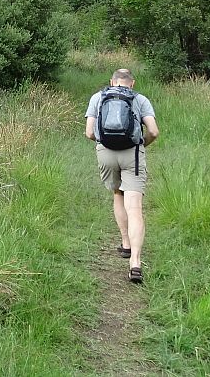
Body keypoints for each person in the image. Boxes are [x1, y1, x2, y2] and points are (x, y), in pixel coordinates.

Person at [85, 68, 159, 283]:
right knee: (135, 208)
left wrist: (104, 144)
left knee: (118, 194)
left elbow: (89, 132)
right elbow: (153, 131)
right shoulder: (140, 99)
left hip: (106, 153)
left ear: (112, 81)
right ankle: (135, 262)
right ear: (132, 83)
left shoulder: (98, 97)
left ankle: (125, 242)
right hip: (133, 154)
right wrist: (142, 144)